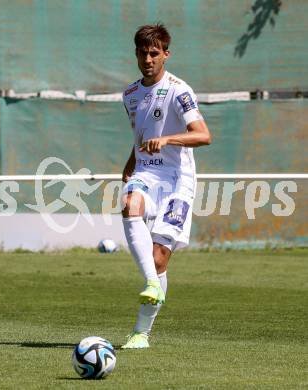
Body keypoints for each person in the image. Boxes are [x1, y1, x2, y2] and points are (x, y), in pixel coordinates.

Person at [121, 23, 212, 349]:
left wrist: (169, 139)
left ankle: (141, 333)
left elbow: (203, 135)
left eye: (154, 53)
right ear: (136, 54)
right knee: (130, 205)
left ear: (165, 54)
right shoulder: (130, 94)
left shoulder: (179, 90)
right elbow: (141, 134)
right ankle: (151, 283)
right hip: (147, 173)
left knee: (160, 258)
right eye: (143, 53)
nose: (148, 59)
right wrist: (131, 161)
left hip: (178, 181)